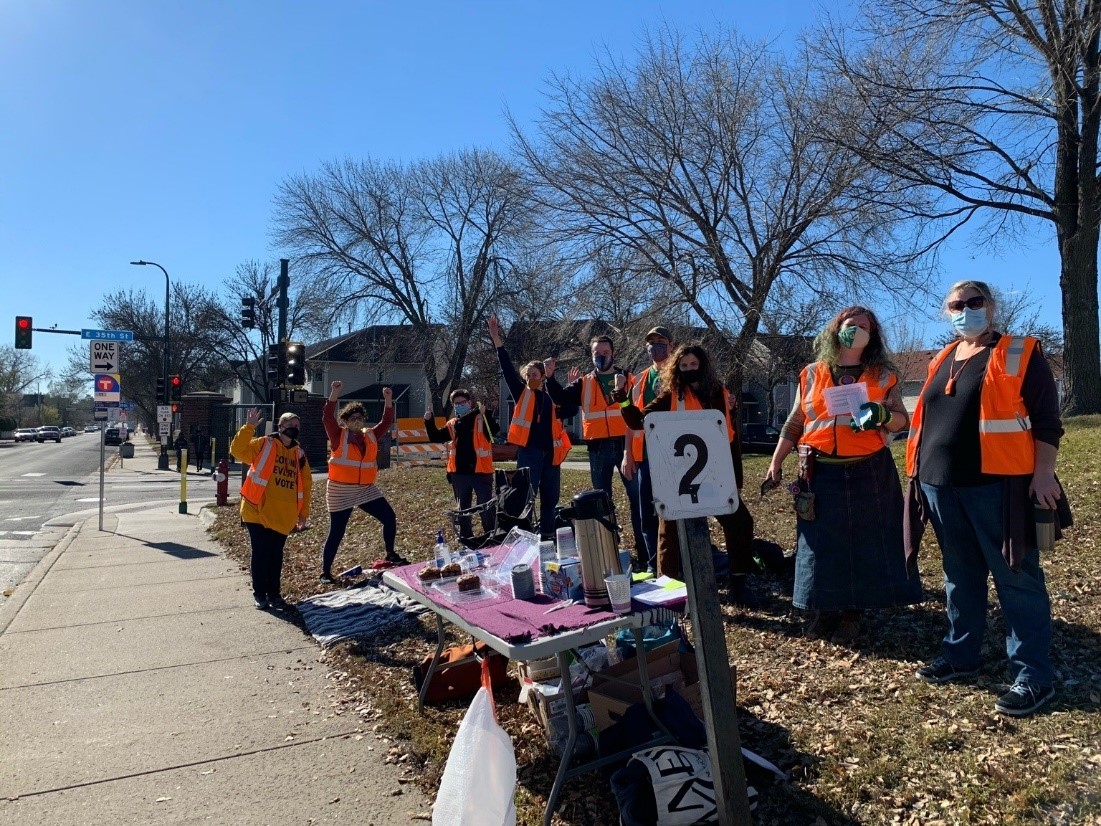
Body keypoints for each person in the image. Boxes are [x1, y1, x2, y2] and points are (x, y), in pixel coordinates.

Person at [905, 280, 1065, 717]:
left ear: (991, 306)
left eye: (974, 302)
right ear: (946, 313)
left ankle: (1033, 674)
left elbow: (1047, 422)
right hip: (939, 486)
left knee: (1017, 578)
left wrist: (1043, 475)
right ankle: (960, 655)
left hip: (997, 487)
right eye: (956, 305)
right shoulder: (941, 357)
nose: (965, 310)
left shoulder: (1020, 351)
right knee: (959, 577)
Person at [764, 306, 919, 644]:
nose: (857, 330)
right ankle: (825, 608)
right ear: (836, 330)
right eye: (851, 325)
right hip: (820, 470)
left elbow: (902, 421)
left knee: (864, 541)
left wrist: (881, 414)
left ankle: (853, 613)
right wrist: (776, 461)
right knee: (821, 542)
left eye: (864, 326)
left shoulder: (883, 373)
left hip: (869, 468)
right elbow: (795, 422)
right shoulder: (812, 373)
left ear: (873, 334)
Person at [615, 342, 758, 605]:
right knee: (668, 530)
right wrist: (622, 397)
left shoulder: (720, 393)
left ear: (703, 366)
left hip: (714, 474)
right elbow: (638, 421)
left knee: (740, 522)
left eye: (694, 364)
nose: (690, 369)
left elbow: (730, 439)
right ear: (676, 369)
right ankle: (668, 592)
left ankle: (739, 583)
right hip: (679, 477)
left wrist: (735, 481)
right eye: (684, 366)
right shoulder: (672, 395)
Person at [545, 334, 646, 568]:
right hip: (597, 448)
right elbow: (560, 397)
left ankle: (644, 553)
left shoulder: (627, 378)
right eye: (596, 354)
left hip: (625, 446)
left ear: (612, 354)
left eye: (605, 353)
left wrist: (629, 450)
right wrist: (550, 377)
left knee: (637, 499)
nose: (601, 357)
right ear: (591, 355)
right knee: (602, 502)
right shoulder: (584, 383)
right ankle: (609, 552)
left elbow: (638, 411)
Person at [488, 316, 576, 540]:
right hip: (529, 453)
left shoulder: (551, 397)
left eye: (534, 375)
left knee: (550, 498)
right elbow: (507, 369)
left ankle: (546, 536)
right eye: (527, 375)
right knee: (525, 497)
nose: (530, 378)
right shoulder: (522, 394)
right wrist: (497, 340)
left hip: (551, 456)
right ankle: (524, 539)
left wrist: (556, 378)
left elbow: (571, 409)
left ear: (543, 376)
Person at [319, 381, 406, 583]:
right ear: (346, 420)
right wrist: (334, 393)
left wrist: (387, 400)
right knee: (337, 531)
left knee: (389, 517)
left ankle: (390, 553)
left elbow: (386, 421)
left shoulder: (371, 435)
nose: (357, 421)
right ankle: (325, 572)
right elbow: (326, 417)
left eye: (360, 418)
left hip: (366, 488)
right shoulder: (338, 435)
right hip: (340, 490)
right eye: (352, 418)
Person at [231, 409, 312, 611]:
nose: (294, 429)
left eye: (297, 426)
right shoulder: (264, 444)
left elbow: (306, 486)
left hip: (283, 514)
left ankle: (274, 594)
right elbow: (237, 451)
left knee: (276, 555)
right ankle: (260, 594)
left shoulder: (299, 454)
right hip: (256, 510)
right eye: (290, 425)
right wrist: (249, 427)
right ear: (280, 427)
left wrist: (303, 514)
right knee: (261, 553)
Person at [621, 326, 674, 572]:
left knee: (672, 512)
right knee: (647, 514)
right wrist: (628, 454)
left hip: (674, 453)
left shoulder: (679, 374)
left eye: (660, 341)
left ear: (671, 345)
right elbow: (631, 420)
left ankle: (675, 564)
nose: (655, 346)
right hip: (645, 455)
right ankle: (654, 565)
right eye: (651, 342)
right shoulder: (640, 379)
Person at [424, 389, 500, 540]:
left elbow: (494, 430)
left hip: (481, 473)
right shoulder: (453, 423)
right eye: (456, 404)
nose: (459, 406)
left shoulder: (480, 418)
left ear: (470, 402)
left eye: (462, 403)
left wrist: (487, 414)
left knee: (486, 506)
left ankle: (491, 536)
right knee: (463, 509)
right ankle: (466, 538)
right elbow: (436, 436)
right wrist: (429, 421)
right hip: (459, 474)